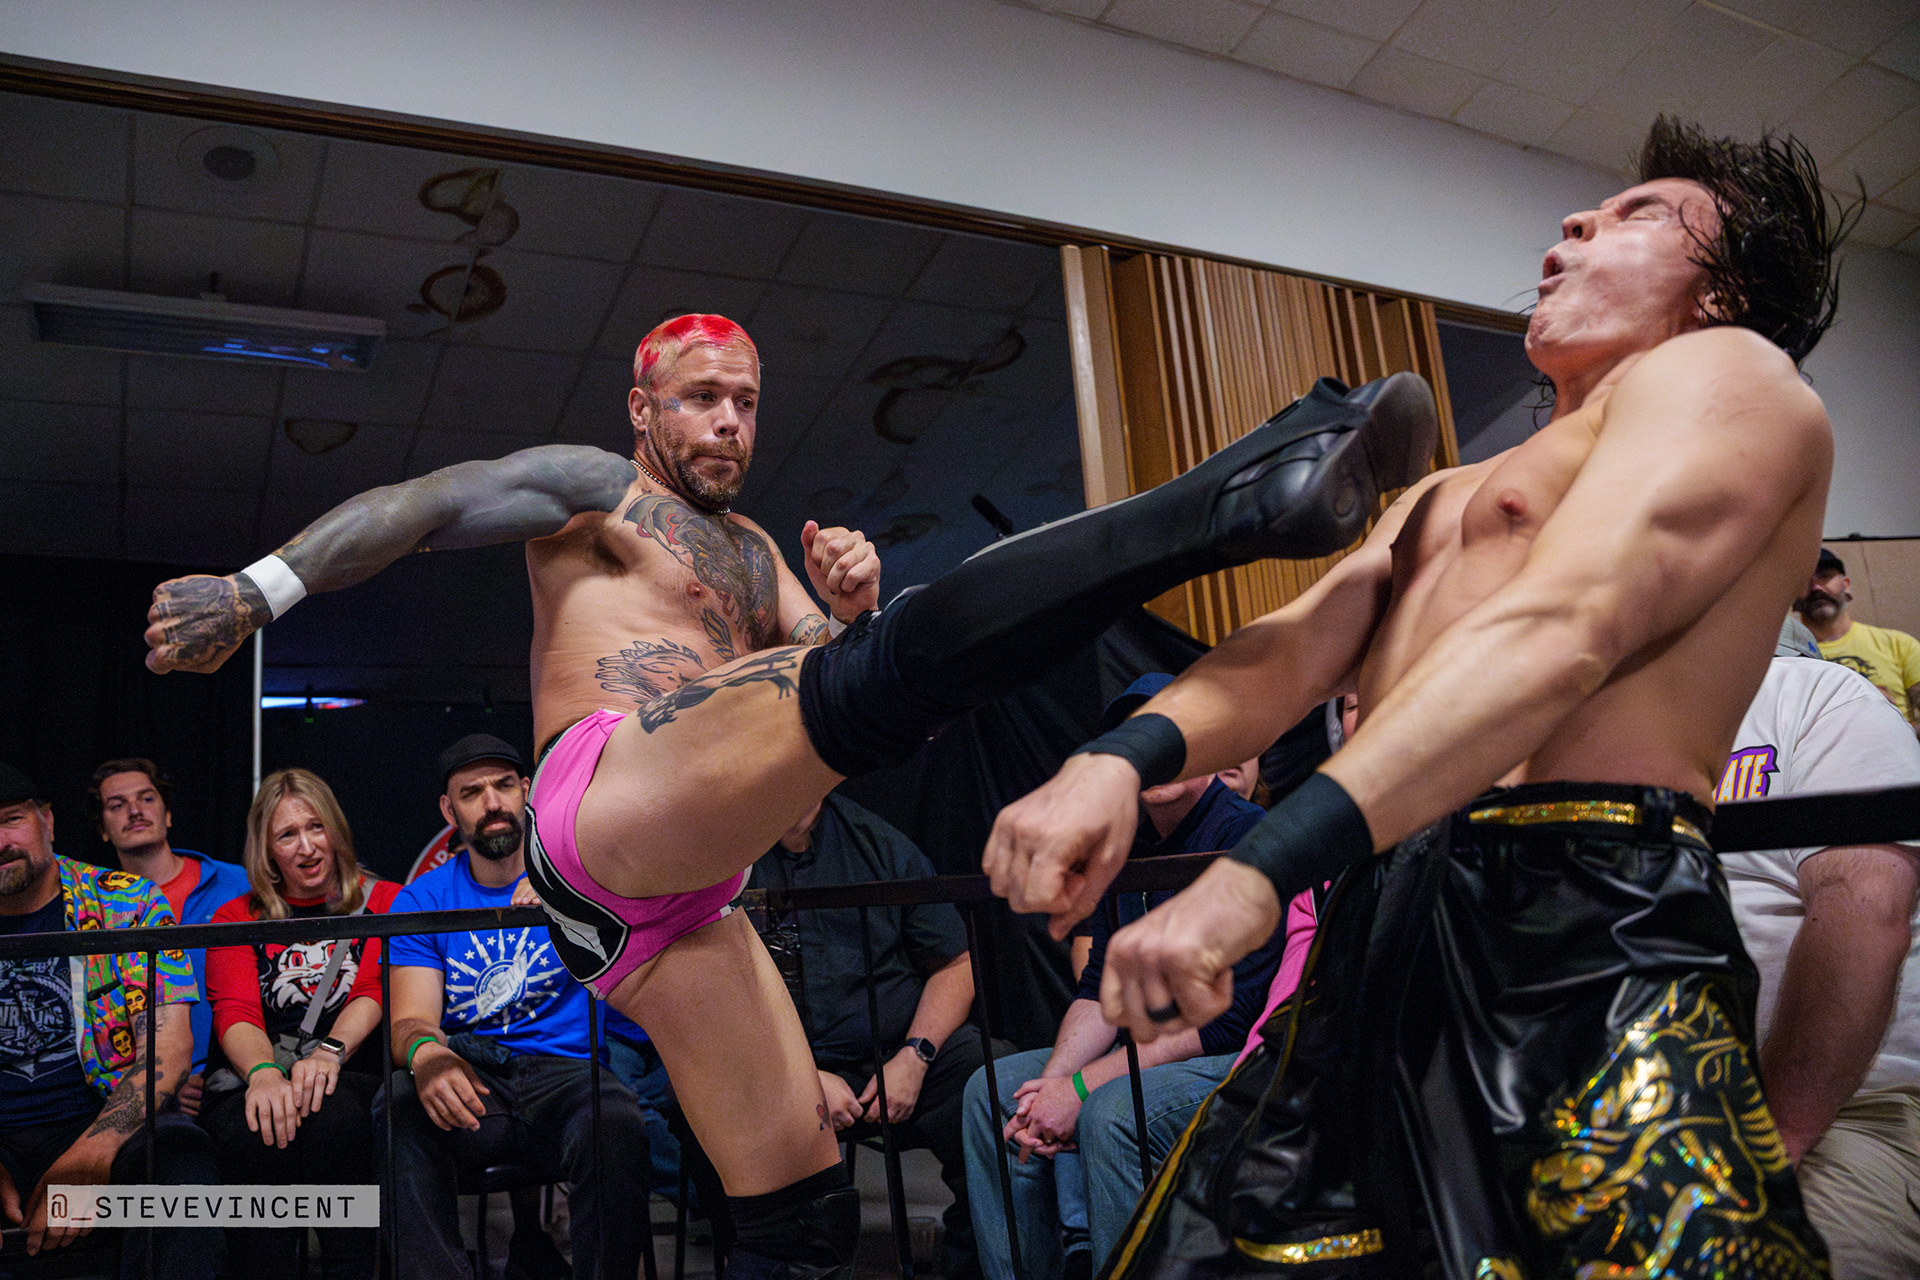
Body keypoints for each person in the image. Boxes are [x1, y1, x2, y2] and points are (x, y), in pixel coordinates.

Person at [143, 308, 1435, 1277]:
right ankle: (1253, 485)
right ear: (644, 406)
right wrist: (257, 592)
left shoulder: (760, 555)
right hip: (601, 802)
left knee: (803, 1204)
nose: (729, 424)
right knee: (881, 669)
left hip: (679, 905)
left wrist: (856, 608)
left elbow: (850, 696)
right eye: (702, 398)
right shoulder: (596, 492)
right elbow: (424, 503)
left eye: (747, 403)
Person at [985, 117, 1849, 1277]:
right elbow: (1291, 650)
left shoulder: (1738, 377)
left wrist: (1259, 866)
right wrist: (1118, 757)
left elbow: (1565, 625)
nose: (1577, 219)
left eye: (1640, 213)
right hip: (1382, 919)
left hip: (1584, 924)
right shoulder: (1446, 491)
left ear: (1724, 292)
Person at [964, 675, 1281, 1280]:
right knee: (992, 1093)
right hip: (1148, 1047)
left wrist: (1081, 1090)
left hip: (1237, 1053)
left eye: (1171, 739)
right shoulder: (1125, 845)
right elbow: (1098, 992)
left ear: (1206, 746)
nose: (1158, 760)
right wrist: (1053, 1084)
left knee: (1112, 1112)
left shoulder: (1246, 834)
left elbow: (1230, 1022)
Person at [376, 734, 653, 1280]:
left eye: (504, 785)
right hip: (476, 1078)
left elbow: (640, 965)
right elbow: (410, 1019)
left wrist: (563, 896)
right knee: (399, 1107)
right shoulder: (424, 899)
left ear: (528, 791)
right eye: (471, 792)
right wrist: (428, 1055)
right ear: (449, 810)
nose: (492, 802)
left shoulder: (580, 878)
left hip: (569, 1076)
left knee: (616, 1121)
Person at [1717, 617, 1920, 1279]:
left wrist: (1775, 1141)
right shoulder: (1597, 736)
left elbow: (1863, 910)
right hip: (1639, 1107)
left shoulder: (1815, 695)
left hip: (1836, 1110)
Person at [748, 791, 1003, 1280]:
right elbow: (705, 996)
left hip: (893, 1058)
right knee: (707, 1097)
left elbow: (955, 963)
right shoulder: (722, 854)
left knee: (986, 1072)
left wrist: (914, 1056)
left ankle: (976, 1264)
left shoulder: (881, 846)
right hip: (773, 1063)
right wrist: (801, 1076)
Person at [0, 762, 219, 1280]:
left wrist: (93, 1153)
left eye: (11, 820)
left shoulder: (127, 900)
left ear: (47, 822)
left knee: (182, 1169)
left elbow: (169, 1049)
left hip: (103, 1116)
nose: (1, 842)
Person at [199, 768, 399, 1280]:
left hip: (350, 1066)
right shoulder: (235, 917)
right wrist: (264, 1074)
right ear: (267, 850)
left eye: (316, 827)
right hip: (261, 1065)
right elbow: (235, 1010)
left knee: (336, 1119)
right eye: (287, 835)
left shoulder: (386, 901)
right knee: (256, 1127)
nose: (307, 847)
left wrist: (330, 1052)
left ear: (336, 830)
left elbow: (373, 988)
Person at [89, 757, 252, 1117]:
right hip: (142, 1095)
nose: (135, 811)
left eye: (147, 799)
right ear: (103, 829)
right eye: (117, 805)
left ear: (168, 815)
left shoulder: (237, 884)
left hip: (238, 1081)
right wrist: (162, 1086)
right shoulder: (93, 911)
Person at [1794, 547, 1920, 729]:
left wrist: (1898, 727)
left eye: (1824, 576)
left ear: (1846, 585)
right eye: (1805, 580)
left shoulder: (1898, 644)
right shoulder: (1780, 659)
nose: (1816, 587)